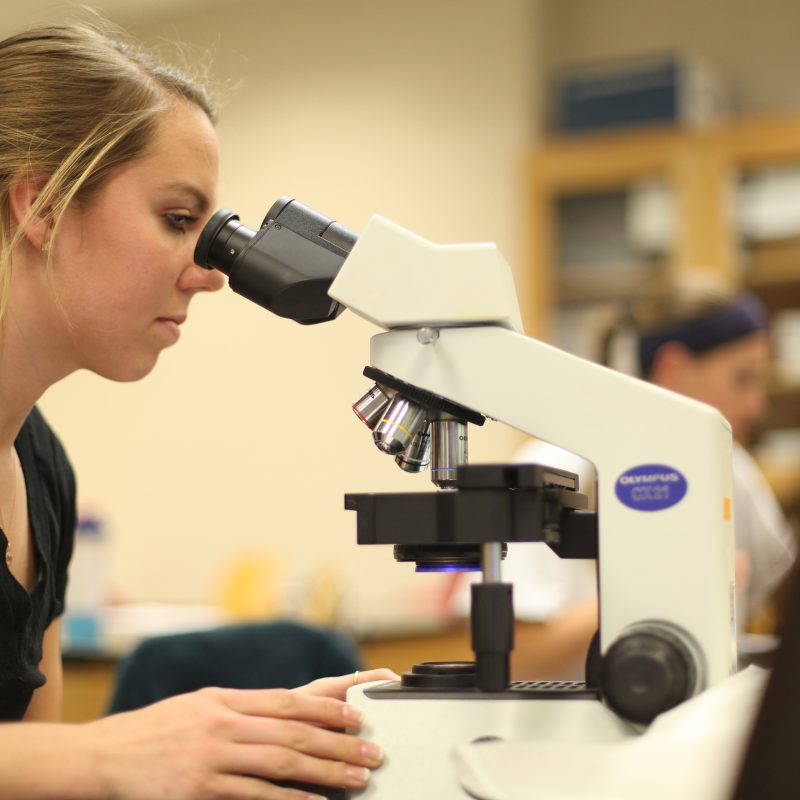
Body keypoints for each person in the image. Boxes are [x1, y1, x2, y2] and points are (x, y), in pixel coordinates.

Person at [0, 19, 396, 798]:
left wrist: (243, 740)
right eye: (180, 220)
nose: (211, 272)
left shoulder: (42, 468)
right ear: (42, 206)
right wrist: (111, 754)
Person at [453, 282, 798, 679]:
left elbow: (784, 592)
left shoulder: (731, 468)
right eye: (743, 379)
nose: (757, 406)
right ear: (674, 368)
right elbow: (514, 655)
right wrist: (664, 587)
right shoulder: (550, 470)